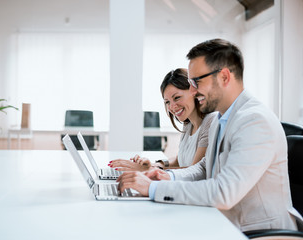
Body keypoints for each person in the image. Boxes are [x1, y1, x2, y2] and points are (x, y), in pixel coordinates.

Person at [117, 38, 303, 231]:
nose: (192, 90)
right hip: (225, 223)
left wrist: (152, 188)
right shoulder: (222, 118)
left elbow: (224, 192)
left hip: (257, 232)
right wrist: (166, 177)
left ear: (224, 77)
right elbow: (204, 168)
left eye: (196, 81)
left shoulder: (255, 121)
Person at [108, 68, 216, 171]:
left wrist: (150, 170)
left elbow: (194, 172)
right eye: (167, 102)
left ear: (194, 91)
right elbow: (178, 161)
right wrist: (154, 164)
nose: (172, 107)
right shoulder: (188, 124)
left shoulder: (210, 122)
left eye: (177, 97)